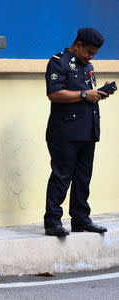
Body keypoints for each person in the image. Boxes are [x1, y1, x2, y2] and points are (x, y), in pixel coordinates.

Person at [44, 28, 113, 237]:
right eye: (89, 52)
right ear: (79, 44)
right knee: (62, 175)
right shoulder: (59, 62)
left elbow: (86, 96)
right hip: (65, 131)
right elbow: (54, 94)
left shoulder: (88, 66)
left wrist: (100, 92)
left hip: (87, 130)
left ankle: (81, 218)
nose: (91, 57)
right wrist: (85, 94)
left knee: (83, 177)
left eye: (94, 54)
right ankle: (53, 221)